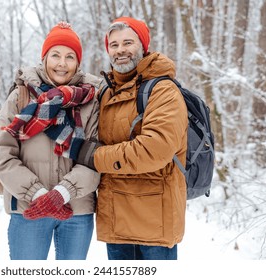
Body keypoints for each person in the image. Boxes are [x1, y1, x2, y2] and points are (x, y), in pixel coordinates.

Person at [76, 17, 188, 260]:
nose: (120, 50)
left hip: (154, 223)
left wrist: (93, 156)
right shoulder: (105, 91)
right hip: (115, 221)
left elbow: (154, 150)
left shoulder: (163, 90)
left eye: (128, 42)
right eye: (114, 45)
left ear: (143, 46)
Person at [0, 21, 103, 260]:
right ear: (44, 58)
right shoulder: (21, 96)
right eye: (56, 55)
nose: (62, 63)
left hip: (77, 210)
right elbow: (2, 152)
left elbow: (96, 156)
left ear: (78, 62)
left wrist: (62, 193)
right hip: (28, 208)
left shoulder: (91, 101)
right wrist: (38, 194)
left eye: (70, 56)